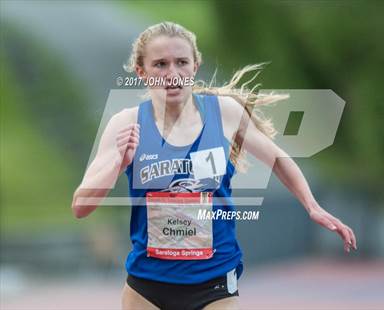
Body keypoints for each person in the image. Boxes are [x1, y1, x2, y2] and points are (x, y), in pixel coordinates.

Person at [71, 21, 357, 310]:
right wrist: (118, 163)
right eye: (160, 64)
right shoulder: (127, 123)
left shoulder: (225, 113)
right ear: (142, 72)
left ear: (195, 66)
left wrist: (312, 205)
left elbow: (277, 158)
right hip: (148, 286)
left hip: (214, 283)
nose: (173, 74)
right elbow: (81, 206)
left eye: (181, 62)